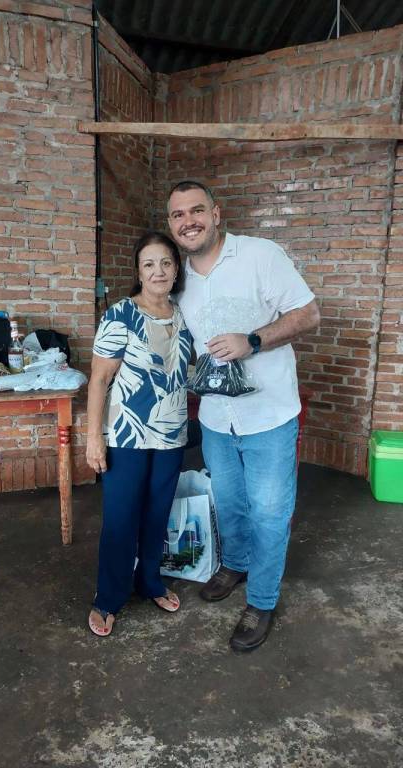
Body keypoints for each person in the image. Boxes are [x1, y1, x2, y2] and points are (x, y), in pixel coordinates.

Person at [167, 180, 320, 652]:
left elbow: (308, 314)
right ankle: (235, 563)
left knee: (270, 513)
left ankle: (262, 599)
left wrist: (252, 341)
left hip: (268, 415)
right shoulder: (178, 278)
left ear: (216, 214)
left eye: (196, 210)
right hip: (217, 417)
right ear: (171, 225)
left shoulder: (260, 255)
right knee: (229, 503)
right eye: (178, 215)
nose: (188, 221)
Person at [86, 231, 191, 637]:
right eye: (149, 264)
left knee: (157, 514)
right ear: (139, 271)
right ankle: (108, 598)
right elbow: (99, 380)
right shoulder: (121, 315)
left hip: (171, 434)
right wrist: (94, 438)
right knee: (120, 517)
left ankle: (150, 582)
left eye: (165, 262)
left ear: (176, 269)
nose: (158, 271)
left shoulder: (183, 314)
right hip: (126, 436)